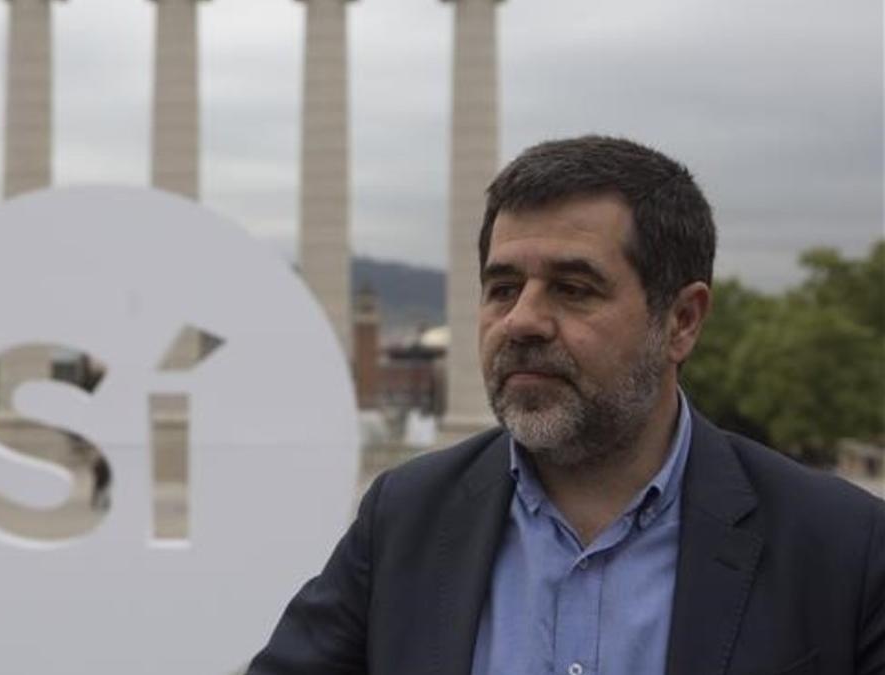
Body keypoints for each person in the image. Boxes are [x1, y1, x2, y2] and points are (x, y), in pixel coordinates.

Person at [248, 136, 884, 674]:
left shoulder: (844, 551)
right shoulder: (405, 518)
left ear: (682, 321)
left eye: (574, 289)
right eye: (503, 288)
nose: (522, 321)